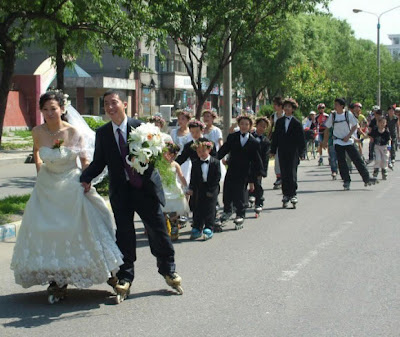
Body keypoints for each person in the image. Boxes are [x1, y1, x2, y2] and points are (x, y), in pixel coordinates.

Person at [11, 91, 124, 303]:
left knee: (80, 227)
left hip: (71, 185)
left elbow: (84, 162)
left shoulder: (73, 132)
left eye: (53, 108)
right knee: (46, 230)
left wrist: (87, 182)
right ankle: (56, 278)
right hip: (46, 187)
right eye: (45, 109)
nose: (49, 113)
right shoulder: (37, 131)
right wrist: (39, 170)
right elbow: (36, 151)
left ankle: (108, 273)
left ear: (62, 109)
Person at [80, 89, 183, 300]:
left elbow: (156, 156)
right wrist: (85, 178)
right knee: (124, 235)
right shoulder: (103, 133)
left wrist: (146, 160)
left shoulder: (142, 128)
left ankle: (168, 270)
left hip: (145, 190)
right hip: (121, 192)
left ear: (124, 104)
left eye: (114, 102)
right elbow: (99, 162)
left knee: (158, 231)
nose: (110, 107)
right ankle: (125, 277)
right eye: (106, 103)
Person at [217, 114, 264, 228]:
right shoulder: (232, 137)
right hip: (232, 168)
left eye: (246, 124)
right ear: (238, 125)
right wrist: (212, 158)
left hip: (244, 172)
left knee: (240, 194)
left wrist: (254, 178)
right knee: (227, 190)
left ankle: (240, 214)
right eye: (242, 124)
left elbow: (256, 162)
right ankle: (227, 210)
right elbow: (223, 150)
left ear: (250, 126)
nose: (243, 126)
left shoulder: (254, 143)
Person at [323, 98, 376, 190]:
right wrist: (325, 141)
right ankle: (346, 181)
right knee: (342, 162)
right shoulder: (333, 115)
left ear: (342, 106)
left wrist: (348, 136)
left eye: (336, 104)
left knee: (357, 160)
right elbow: (327, 128)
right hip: (338, 142)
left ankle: (367, 178)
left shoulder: (348, 114)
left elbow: (355, 126)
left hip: (348, 141)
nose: (335, 106)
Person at [270, 97, 305, 208]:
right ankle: (286, 194)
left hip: (293, 151)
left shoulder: (296, 123)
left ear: (293, 109)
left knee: (292, 173)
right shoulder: (279, 122)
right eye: (285, 106)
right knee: (284, 173)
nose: (287, 108)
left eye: (289, 107)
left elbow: (301, 139)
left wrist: (302, 152)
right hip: (282, 150)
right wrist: (273, 150)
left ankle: (293, 194)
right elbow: (275, 137)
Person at [186, 138, 221, 240]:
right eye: (199, 151)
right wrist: (191, 188)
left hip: (211, 187)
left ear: (209, 150)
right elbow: (193, 177)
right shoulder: (195, 162)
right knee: (198, 208)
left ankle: (209, 227)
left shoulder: (215, 162)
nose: (201, 153)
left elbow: (217, 177)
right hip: (199, 188)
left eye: (203, 151)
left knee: (210, 208)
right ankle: (197, 227)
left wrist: (211, 190)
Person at [160, 142, 189, 240]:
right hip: (163, 189)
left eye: (167, 153)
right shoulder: (159, 165)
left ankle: (174, 227)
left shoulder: (175, 165)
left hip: (173, 189)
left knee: (173, 212)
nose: (164, 156)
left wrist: (186, 187)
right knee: (163, 211)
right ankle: (165, 229)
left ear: (172, 155)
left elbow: (181, 176)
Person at [249, 116, 270, 213]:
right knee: (245, 183)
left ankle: (259, 202)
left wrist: (263, 170)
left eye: (264, 127)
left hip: (258, 166)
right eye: (260, 126)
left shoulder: (266, 141)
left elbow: (266, 158)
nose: (262, 128)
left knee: (257, 184)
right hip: (248, 164)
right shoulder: (249, 136)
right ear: (256, 125)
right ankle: (246, 198)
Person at [170, 110, 193, 184]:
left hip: (186, 162)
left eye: (183, 119)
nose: (180, 121)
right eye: (179, 119)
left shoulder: (191, 133)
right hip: (175, 160)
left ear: (188, 120)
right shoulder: (173, 132)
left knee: (185, 181)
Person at [269, 97, 285, 189]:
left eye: (275, 105)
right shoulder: (273, 116)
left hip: (286, 140)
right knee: (277, 159)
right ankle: (279, 177)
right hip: (277, 140)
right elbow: (271, 128)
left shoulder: (285, 115)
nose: (274, 106)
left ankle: (285, 177)